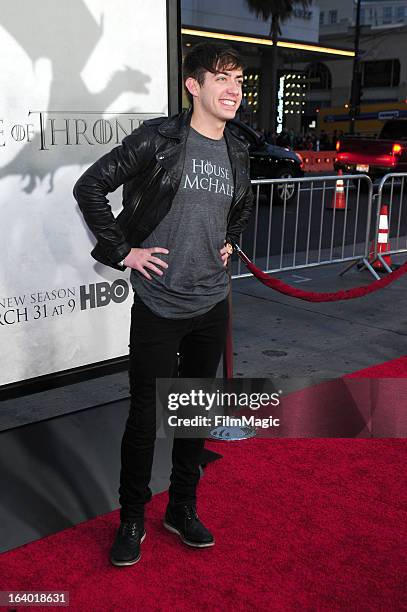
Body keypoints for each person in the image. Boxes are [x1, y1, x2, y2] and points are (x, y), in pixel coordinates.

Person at [73, 42, 254, 567]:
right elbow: (91, 187)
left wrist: (230, 237)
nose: (234, 89)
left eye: (239, 79)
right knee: (145, 419)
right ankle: (132, 517)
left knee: (193, 415)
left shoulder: (236, 149)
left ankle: (181, 507)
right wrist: (122, 250)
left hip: (210, 303)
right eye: (222, 78)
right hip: (158, 305)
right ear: (193, 86)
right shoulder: (159, 140)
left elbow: (242, 202)